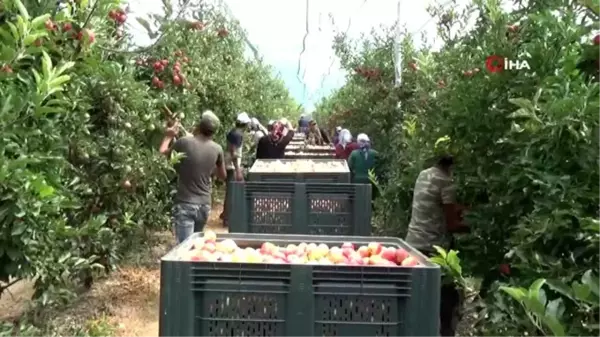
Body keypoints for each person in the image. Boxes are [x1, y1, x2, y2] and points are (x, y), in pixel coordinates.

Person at [404, 154, 469, 337]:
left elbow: (438, 205)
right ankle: (445, 332)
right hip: (433, 248)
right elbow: (452, 224)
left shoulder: (424, 175)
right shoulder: (446, 182)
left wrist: (462, 209)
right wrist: (476, 225)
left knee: (417, 294)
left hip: (413, 243)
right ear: (452, 166)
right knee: (449, 297)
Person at [158, 111, 226, 243]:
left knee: (185, 248)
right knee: (195, 246)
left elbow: (161, 155)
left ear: (199, 126)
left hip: (186, 204)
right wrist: (208, 167)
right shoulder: (217, 149)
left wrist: (168, 137)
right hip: (204, 205)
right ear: (214, 132)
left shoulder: (184, 143)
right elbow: (222, 175)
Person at [220, 112, 251, 227]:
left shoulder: (233, 132)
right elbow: (233, 152)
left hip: (228, 163)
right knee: (231, 192)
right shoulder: (238, 134)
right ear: (245, 124)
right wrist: (238, 169)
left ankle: (225, 214)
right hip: (231, 166)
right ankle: (227, 218)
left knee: (229, 191)